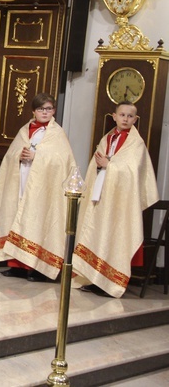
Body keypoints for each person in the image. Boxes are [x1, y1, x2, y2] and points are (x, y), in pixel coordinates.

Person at [73, 101, 159, 298]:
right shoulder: (107, 138)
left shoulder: (135, 144)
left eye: (130, 116)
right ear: (114, 116)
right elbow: (95, 165)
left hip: (120, 204)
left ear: (135, 119)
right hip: (102, 198)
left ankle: (108, 283)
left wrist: (109, 165)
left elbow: (132, 172)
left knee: (113, 236)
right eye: (122, 115)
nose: (126, 119)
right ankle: (94, 279)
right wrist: (100, 166)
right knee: (98, 235)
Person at [0, 93, 76, 281]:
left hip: (43, 190)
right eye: (41, 109)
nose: (45, 112)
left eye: (49, 109)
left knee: (36, 221)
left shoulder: (57, 133)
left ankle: (38, 268)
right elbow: (10, 156)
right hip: (20, 182)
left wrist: (37, 158)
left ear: (54, 111)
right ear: (34, 111)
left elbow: (63, 163)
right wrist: (18, 157)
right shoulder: (24, 130)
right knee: (16, 217)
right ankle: (16, 266)